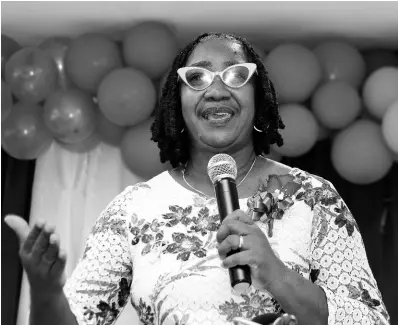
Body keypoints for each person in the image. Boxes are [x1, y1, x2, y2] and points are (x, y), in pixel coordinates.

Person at [5, 32, 390, 325]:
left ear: (260, 98)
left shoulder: (313, 197)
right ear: (178, 102)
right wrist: (44, 290)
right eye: (198, 77)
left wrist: (275, 274)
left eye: (237, 75)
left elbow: (370, 319)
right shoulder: (134, 208)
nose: (217, 89)